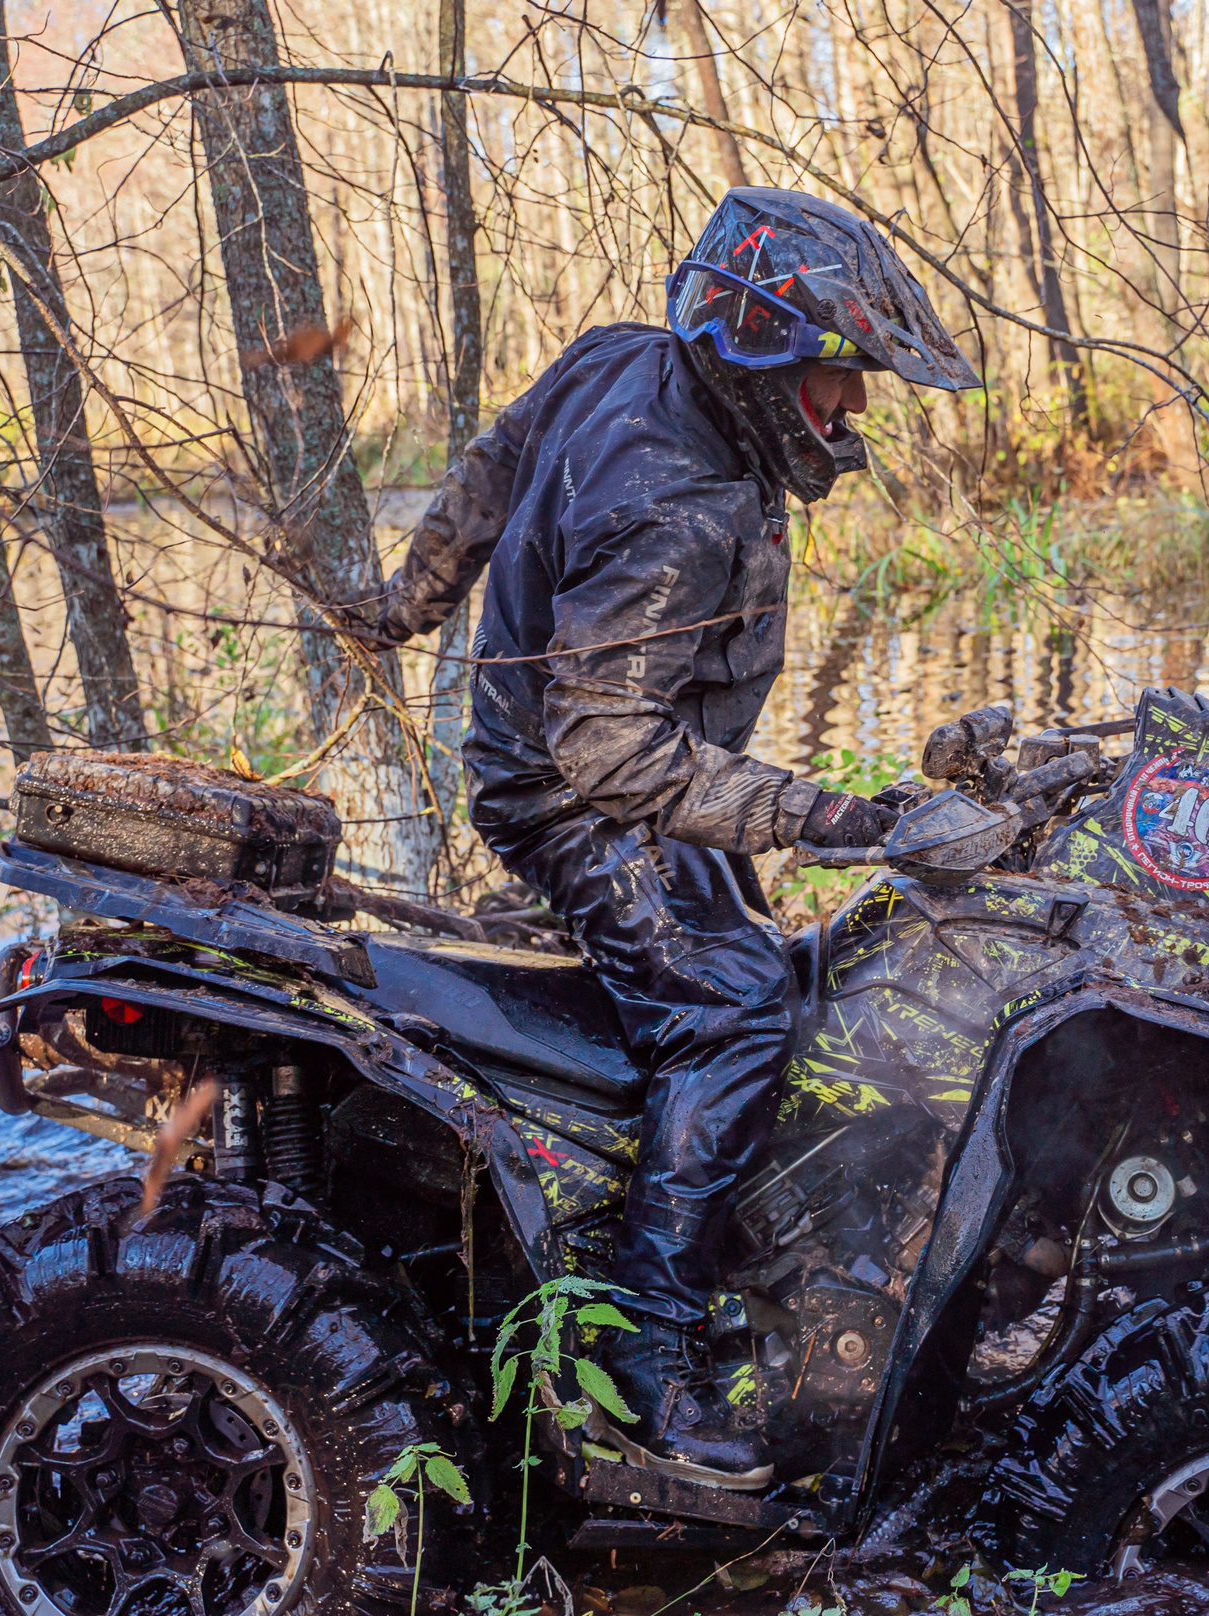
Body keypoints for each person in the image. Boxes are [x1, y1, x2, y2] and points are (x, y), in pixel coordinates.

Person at [363, 187, 980, 1487]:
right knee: (740, 1007)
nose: (853, 408)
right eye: (836, 377)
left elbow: (488, 467)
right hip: (572, 784)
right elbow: (606, 751)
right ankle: (645, 1354)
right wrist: (830, 817)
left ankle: (763, 1234)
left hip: (624, 751)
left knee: (794, 965)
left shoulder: (620, 360)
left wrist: (406, 604)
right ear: (757, 359)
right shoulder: (679, 505)